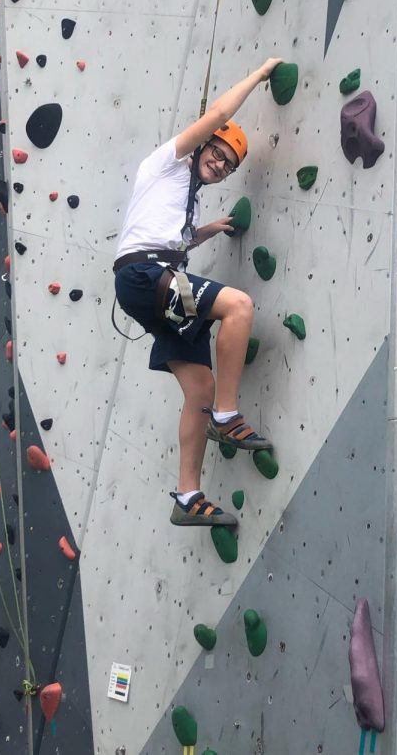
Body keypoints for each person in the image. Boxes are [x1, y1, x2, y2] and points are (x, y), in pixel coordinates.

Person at [113, 58, 282, 529]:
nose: (220, 165)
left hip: (150, 281)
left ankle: (188, 496)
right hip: (145, 276)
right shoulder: (165, 165)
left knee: (199, 389)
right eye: (217, 154)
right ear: (203, 144)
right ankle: (227, 416)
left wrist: (212, 227)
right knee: (239, 305)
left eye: (228, 166)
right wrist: (258, 74)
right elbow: (216, 115)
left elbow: (177, 241)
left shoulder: (183, 196)